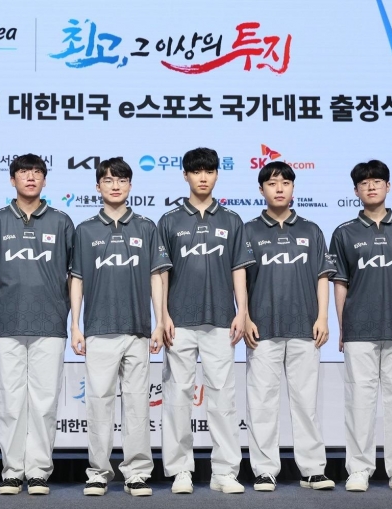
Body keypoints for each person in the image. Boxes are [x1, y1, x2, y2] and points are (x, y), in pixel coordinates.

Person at [69, 158, 172, 497]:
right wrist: (75, 326)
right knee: (99, 403)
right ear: (97, 186)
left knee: (138, 404)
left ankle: (137, 473)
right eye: (109, 180)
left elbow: (157, 277)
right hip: (98, 330)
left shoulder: (146, 226)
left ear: (130, 185)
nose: (115, 185)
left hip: (138, 329)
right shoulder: (85, 230)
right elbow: (77, 279)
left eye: (122, 180)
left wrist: (160, 321)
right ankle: (98, 472)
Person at [329, 160, 392, 493]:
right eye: (364, 183)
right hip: (359, 329)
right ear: (355, 191)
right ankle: (359, 469)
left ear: (388, 186)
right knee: (359, 400)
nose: (371, 187)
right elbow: (340, 284)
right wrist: (343, 326)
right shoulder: (344, 232)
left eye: (377, 181)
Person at [157, 147, 255, 494]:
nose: (203, 177)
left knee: (223, 398)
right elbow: (161, 273)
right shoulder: (169, 220)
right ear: (185, 175)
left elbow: (239, 269)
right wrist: (163, 316)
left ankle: (225, 472)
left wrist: (242, 311)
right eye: (196, 171)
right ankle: (180, 470)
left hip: (221, 321)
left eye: (209, 171)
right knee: (177, 397)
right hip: (179, 323)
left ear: (216, 175)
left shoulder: (231, 220)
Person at [0, 154, 75, 495]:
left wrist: (71, 319)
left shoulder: (62, 221)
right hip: (5, 322)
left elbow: (74, 277)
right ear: (13, 180)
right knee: (9, 401)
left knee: (44, 402)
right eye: (23, 172)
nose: (31, 177)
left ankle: (37, 471)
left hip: (49, 322)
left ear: (45, 180)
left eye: (37, 172)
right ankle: (11, 471)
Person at [243, 161, 336, 492]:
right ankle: (264, 470)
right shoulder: (248, 230)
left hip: (304, 328)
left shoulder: (311, 230)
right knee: (262, 403)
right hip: (262, 330)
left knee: (306, 404)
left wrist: (323, 317)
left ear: (293, 188)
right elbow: (239, 279)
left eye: (285, 182)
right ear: (261, 190)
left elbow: (323, 276)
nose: (279, 188)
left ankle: (312, 469)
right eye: (272, 183)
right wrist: (245, 316)